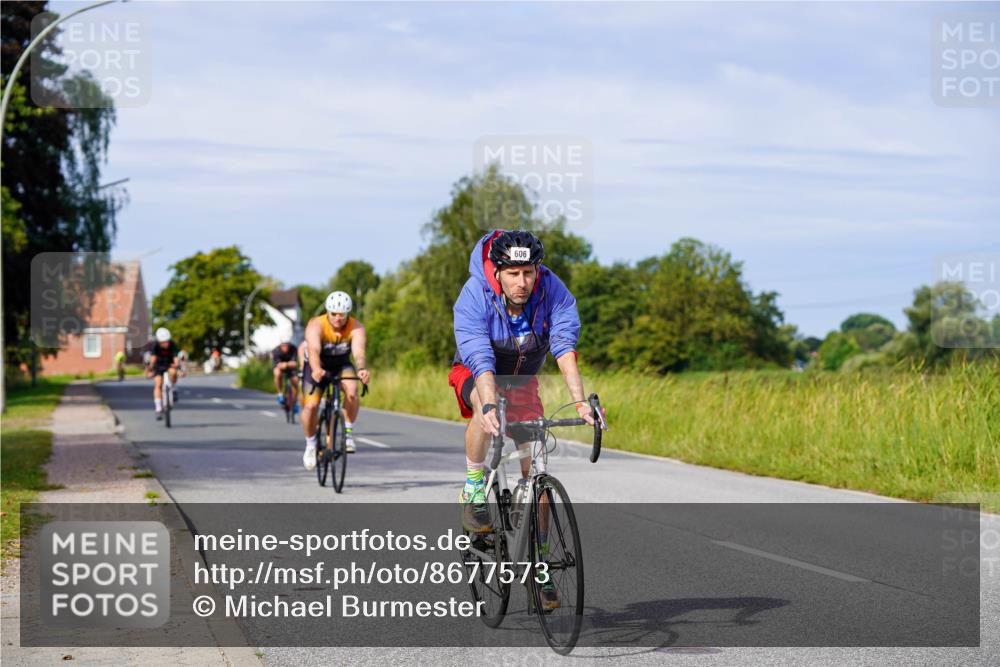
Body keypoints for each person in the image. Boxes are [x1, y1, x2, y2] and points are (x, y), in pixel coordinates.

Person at [448, 229, 598, 611]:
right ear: (496, 272)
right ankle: (473, 487)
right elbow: (479, 356)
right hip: (477, 371)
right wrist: (486, 404)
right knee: (487, 411)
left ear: (538, 270)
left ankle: (539, 563)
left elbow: (564, 347)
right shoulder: (474, 295)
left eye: (529, 272)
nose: (522, 282)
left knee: (537, 474)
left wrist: (580, 403)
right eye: (513, 273)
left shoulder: (553, 291)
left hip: (523, 378)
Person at [299, 291, 371, 468]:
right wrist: (316, 369)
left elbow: (359, 352)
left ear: (348, 314)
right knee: (311, 406)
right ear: (327, 311)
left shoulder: (356, 327)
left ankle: (347, 432)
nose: (338, 318)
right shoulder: (316, 325)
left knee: (352, 391)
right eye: (334, 314)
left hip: (341, 364)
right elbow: (314, 350)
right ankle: (310, 443)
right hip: (317, 365)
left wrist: (361, 369)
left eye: (342, 315)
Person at [145, 327, 180, 420]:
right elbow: (152, 359)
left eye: (167, 341)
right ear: (159, 342)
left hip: (169, 364)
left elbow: (176, 359)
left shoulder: (172, 345)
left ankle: (173, 388)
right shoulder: (155, 346)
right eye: (163, 342)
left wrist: (177, 366)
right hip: (158, 365)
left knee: (173, 373)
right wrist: (150, 369)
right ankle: (158, 408)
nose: (166, 343)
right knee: (158, 384)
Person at [272, 336, 300, 412]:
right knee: (277, 373)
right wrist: (287, 364)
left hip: (290, 368)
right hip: (280, 368)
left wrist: (286, 364)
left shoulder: (294, 349)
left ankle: (294, 402)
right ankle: (280, 394)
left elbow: (295, 363)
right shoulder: (276, 351)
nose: (286, 347)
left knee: (295, 380)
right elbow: (278, 365)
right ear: (281, 345)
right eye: (284, 345)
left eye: (287, 345)